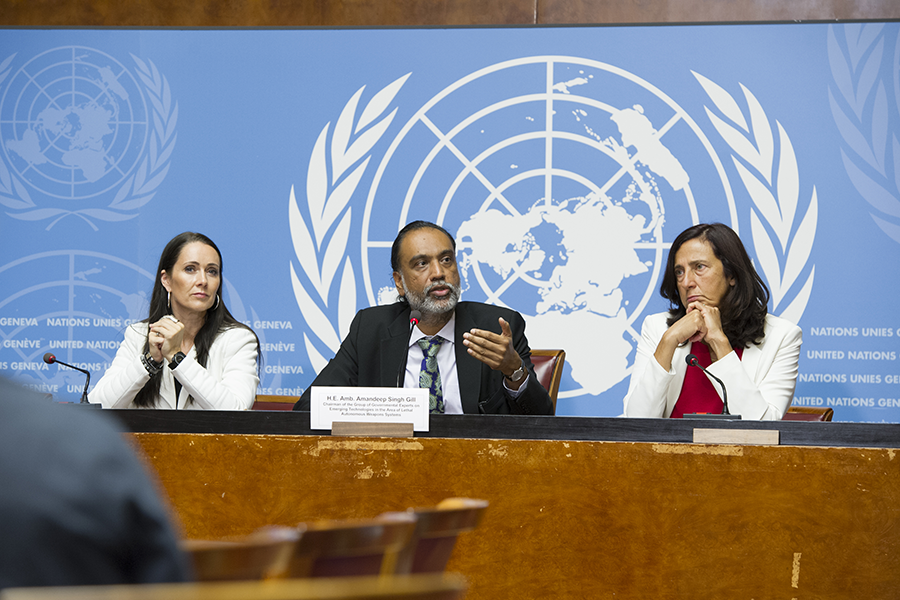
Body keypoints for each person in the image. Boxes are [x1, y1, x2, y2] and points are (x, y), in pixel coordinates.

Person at [293, 221, 553, 415]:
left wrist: (514, 371)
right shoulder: (371, 330)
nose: (439, 272)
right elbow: (309, 409)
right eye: (421, 264)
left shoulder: (496, 327)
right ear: (399, 282)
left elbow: (542, 422)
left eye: (447, 260)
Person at [0, 377, 191, 588]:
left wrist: (178, 362)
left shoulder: (85, 443)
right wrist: (147, 363)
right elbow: (163, 580)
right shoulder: (87, 442)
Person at [623, 223, 802, 420]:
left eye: (699, 267)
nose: (686, 282)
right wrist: (669, 340)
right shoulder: (657, 327)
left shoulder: (782, 336)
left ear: (732, 274)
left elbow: (762, 429)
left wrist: (719, 341)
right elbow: (635, 424)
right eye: (679, 272)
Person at [91, 232, 260, 409]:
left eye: (212, 271)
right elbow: (98, 407)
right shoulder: (138, 334)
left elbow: (236, 412)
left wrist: (176, 358)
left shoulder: (238, 339)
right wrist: (149, 361)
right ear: (167, 280)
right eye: (190, 269)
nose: (203, 280)